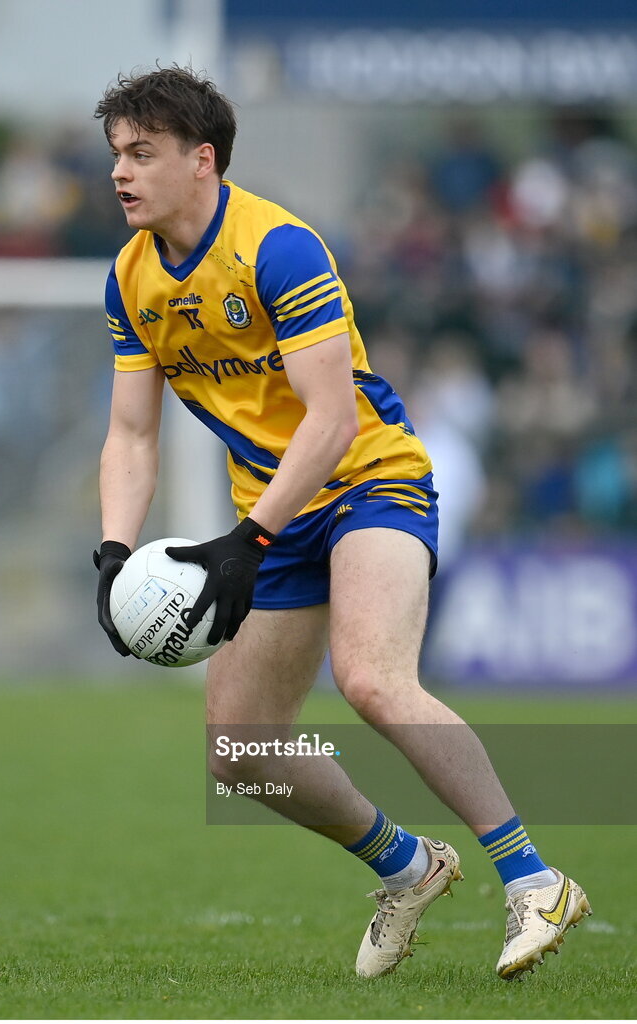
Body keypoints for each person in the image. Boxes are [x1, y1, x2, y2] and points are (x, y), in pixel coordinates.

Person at [92, 66, 590, 980]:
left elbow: (330, 422)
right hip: (273, 515)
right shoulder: (129, 279)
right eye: (116, 154)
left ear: (201, 161)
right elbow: (130, 433)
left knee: (370, 679)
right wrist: (115, 554)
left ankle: (534, 878)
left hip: (368, 481)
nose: (120, 173)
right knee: (240, 751)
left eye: (141, 153)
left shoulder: (278, 246)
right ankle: (407, 864)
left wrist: (246, 542)